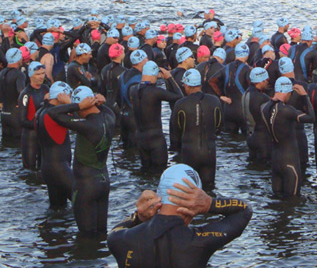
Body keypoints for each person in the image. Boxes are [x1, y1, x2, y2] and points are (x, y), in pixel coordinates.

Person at [107, 164, 252, 268]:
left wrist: (138, 218)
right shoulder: (199, 242)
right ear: (194, 201)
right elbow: (244, 211)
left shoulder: (121, 240)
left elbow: (114, 231)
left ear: (159, 195)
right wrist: (210, 204)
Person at [48, 86, 115, 236]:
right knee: (101, 233)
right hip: (104, 182)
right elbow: (105, 108)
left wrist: (76, 105)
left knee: (85, 237)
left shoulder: (86, 125)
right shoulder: (109, 116)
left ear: (85, 106)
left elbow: (52, 112)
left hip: (86, 186)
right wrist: (99, 103)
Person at [261, 77, 315, 197]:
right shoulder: (286, 110)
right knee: (292, 202)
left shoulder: (264, 108)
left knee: (277, 201)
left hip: (275, 160)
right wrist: (305, 96)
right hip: (290, 161)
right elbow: (311, 118)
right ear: (288, 92)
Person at [170, 69, 222, 190]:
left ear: (187, 85)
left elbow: (176, 131)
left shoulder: (180, 104)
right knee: (209, 190)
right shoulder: (214, 101)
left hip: (189, 151)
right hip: (209, 151)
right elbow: (219, 127)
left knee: (190, 190)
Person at [131, 61, 183, 171]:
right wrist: (169, 78)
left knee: (145, 173)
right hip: (155, 138)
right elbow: (179, 97)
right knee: (159, 173)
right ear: (155, 74)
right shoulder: (155, 92)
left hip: (140, 138)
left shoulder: (133, 90)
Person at [36, 81, 74, 208]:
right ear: (60, 97)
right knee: (84, 202)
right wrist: (70, 104)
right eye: (68, 95)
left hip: (47, 168)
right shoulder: (55, 115)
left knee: (58, 211)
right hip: (60, 169)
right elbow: (84, 121)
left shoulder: (41, 111)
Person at [18, 62, 49, 170]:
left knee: (43, 169)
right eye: (38, 74)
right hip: (30, 136)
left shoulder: (46, 89)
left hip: (43, 135)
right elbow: (22, 121)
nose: (41, 76)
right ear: (31, 75)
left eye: (43, 73)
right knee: (29, 170)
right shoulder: (26, 94)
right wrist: (40, 124)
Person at [0, 47, 25, 138]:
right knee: (17, 145)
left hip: (4, 115)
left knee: (6, 142)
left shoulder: (1, 73)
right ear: (18, 58)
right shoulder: (19, 74)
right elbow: (21, 92)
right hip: (15, 115)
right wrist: (22, 105)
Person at [242, 67, 272, 163]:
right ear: (261, 81)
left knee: (253, 169)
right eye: (266, 80)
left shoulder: (245, 93)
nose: (268, 82)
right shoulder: (262, 97)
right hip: (262, 138)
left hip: (250, 137)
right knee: (264, 171)